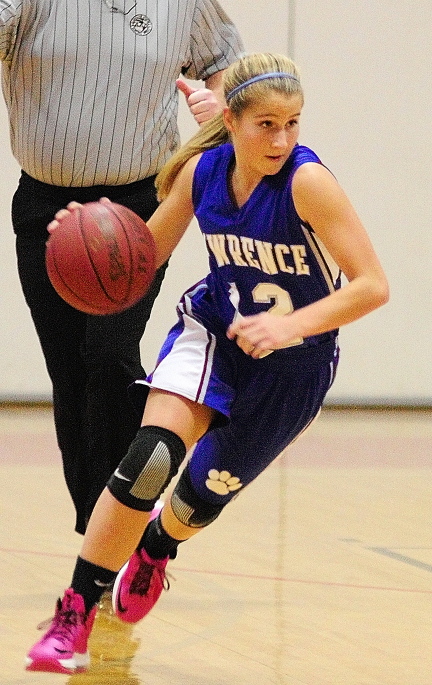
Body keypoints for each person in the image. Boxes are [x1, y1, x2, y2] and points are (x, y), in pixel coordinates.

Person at [24, 51, 390, 674]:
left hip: (293, 366)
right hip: (214, 333)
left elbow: (371, 285)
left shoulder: (308, 183)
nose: (282, 138)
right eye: (266, 124)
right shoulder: (203, 172)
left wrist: (289, 325)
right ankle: (75, 614)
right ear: (232, 118)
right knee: (151, 459)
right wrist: (82, 235)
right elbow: (139, 262)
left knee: (199, 500)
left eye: (293, 124)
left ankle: (160, 546)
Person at [4, 0, 244, 535]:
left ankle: (121, 527)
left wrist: (220, 108)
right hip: (48, 208)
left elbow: (225, 57)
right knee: (69, 372)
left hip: (139, 209)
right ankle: (98, 531)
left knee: (110, 358)